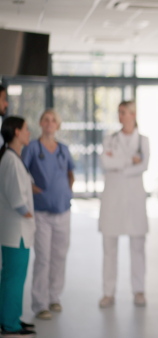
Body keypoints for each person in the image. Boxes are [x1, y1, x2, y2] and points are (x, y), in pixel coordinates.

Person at [21, 109, 75, 320]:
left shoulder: (63, 148)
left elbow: (70, 171)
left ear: (58, 125)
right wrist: (33, 189)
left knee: (60, 255)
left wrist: (68, 189)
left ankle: (54, 297)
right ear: (40, 123)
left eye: (53, 120)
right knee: (43, 257)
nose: (50, 123)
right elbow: (23, 173)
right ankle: (40, 303)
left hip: (63, 209)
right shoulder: (32, 147)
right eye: (46, 120)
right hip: (41, 211)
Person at [98, 101, 150, 308]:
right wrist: (130, 160)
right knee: (109, 247)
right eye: (119, 112)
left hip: (135, 200)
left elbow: (144, 165)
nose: (120, 117)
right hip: (112, 199)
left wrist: (120, 164)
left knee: (138, 247)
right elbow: (105, 163)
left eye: (124, 113)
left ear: (133, 114)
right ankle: (108, 293)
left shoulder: (143, 141)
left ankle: (139, 291)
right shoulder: (109, 139)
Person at [0, 116, 37, 337]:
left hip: (13, 231)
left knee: (10, 277)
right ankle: (10, 323)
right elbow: (16, 200)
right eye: (25, 129)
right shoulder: (11, 161)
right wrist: (30, 214)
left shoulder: (11, 157)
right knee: (14, 278)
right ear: (16, 132)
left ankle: (8, 318)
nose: (28, 133)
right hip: (17, 231)